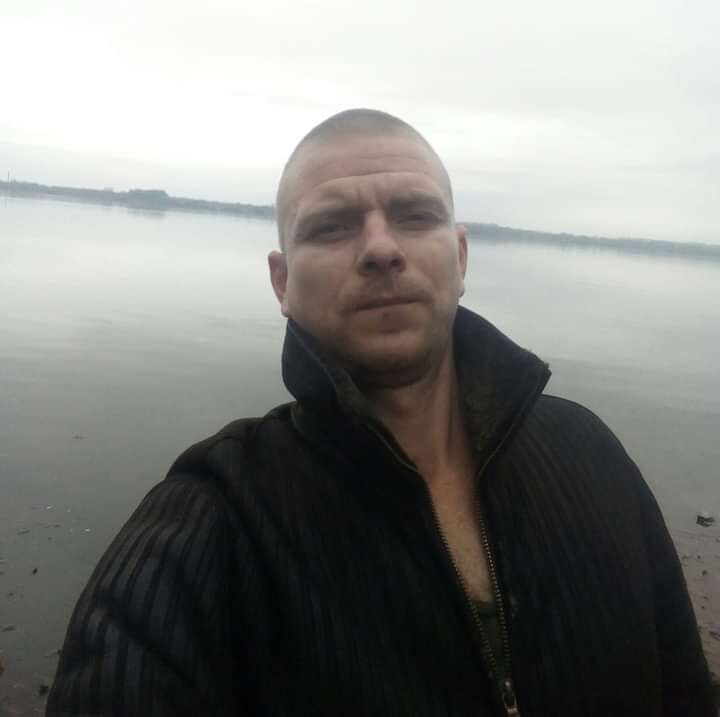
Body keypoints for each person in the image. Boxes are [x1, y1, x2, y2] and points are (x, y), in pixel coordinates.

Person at [47, 108, 714, 717]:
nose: (380, 248)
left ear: (460, 257)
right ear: (282, 281)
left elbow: (684, 689)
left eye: (415, 216)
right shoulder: (213, 522)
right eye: (332, 225)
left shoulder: (590, 454)